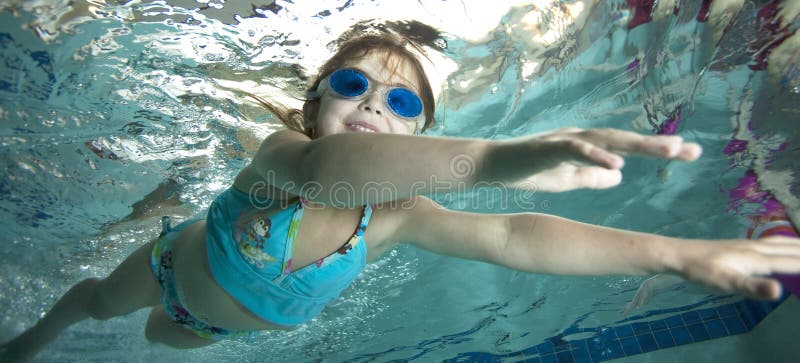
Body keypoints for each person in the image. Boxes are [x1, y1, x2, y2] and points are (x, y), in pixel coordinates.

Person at [2, 32, 799, 362]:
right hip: (174, 266)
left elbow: (517, 238)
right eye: (354, 84)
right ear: (315, 103)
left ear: (421, 137)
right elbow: (334, 170)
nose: (376, 101)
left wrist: (680, 252)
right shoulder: (284, 159)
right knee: (105, 304)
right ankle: (39, 332)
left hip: (208, 323)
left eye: (402, 100)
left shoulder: (402, 214)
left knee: (160, 339)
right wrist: (499, 158)